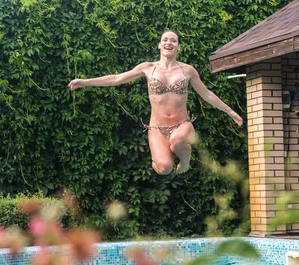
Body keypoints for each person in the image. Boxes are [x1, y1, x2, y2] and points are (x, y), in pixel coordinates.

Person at [68, 30, 243, 175]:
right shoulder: (147, 68)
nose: (169, 43)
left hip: (182, 125)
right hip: (157, 128)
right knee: (165, 169)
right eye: (165, 40)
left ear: (178, 47)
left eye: (173, 41)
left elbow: (207, 94)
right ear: (159, 45)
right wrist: (86, 82)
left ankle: (185, 156)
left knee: (177, 139)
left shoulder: (188, 70)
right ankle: (160, 159)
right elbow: (117, 78)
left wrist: (230, 112)